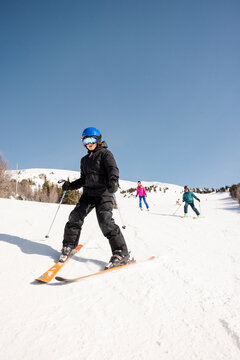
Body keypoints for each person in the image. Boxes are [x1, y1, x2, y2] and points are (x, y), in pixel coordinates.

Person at [60, 127, 130, 269]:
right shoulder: (84, 160)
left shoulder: (105, 154)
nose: (89, 143)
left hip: (104, 193)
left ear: (98, 140)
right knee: (75, 216)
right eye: (86, 140)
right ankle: (69, 245)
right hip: (88, 194)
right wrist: (70, 186)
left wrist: (113, 181)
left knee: (105, 221)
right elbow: (83, 179)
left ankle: (121, 253)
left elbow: (113, 169)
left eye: (92, 139)